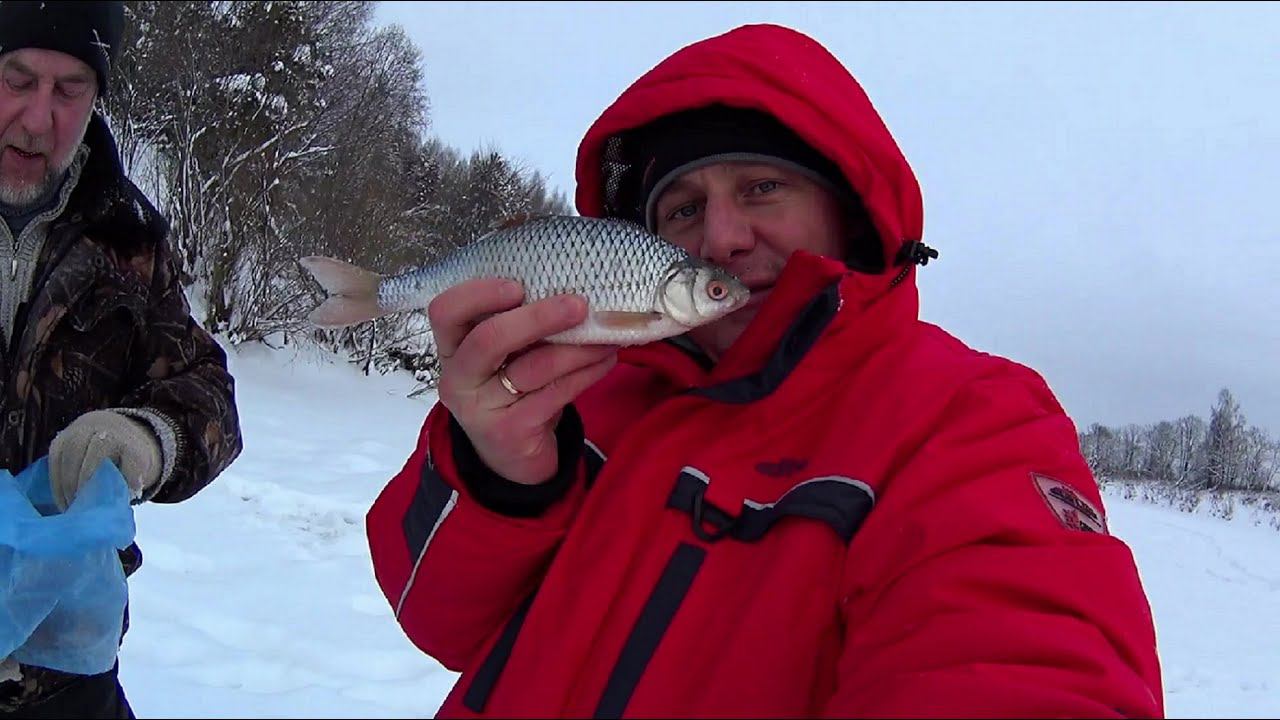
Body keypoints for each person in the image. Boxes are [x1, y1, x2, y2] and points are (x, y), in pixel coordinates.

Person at [366, 23, 1164, 718]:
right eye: (682, 209)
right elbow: (436, 622)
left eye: (762, 188)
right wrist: (499, 475)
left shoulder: (970, 416)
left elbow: (1030, 668)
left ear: (845, 208)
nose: (722, 239)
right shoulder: (582, 392)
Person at [0, 2, 242, 716]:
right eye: (17, 79)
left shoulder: (130, 239)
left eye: (69, 90)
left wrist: (146, 440)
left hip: (65, 669)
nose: (38, 120)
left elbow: (208, 395)